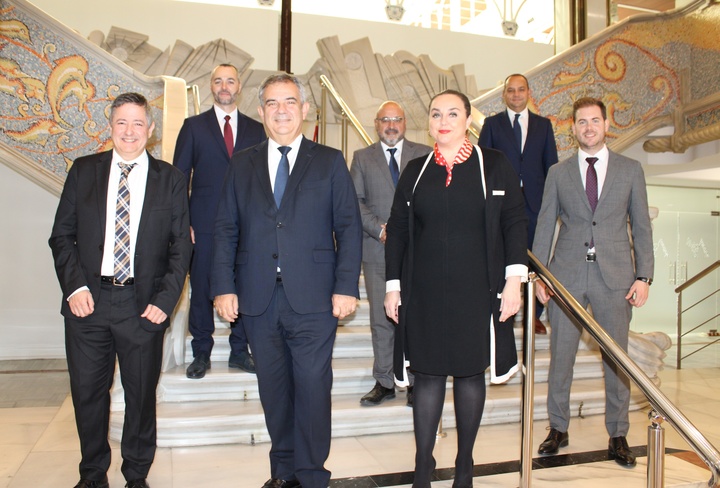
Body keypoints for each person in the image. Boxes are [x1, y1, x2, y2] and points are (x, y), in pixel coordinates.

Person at [211, 74, 362, 488]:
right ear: (260, 111)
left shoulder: (330, 161)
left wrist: (347, 286)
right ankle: (284, 473)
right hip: (257, 299)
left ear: (305, 109)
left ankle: (312, 475)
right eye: (273, 103)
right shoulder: (242, 163)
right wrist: (223, 286)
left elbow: (348, 227)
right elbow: (224, 228)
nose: (281, 110)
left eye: (290, 102)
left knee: (312, 389)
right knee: (274, 390)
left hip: (315, 298)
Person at [384, 90, 528, 487]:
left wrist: (514, 280)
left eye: (452, 113)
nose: (442, 120)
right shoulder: (415, 169)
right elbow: (397, 229)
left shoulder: (494, 164)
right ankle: (422, 468)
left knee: (468, 375)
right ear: (427, 121)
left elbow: (514, 222)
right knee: (426, 377)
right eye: (435, 113)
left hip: (476, 289)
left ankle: (465, 466)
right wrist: (392, 286)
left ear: (468, 120)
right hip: (424, 291)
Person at [49, 92, 192, 488]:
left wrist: (166, 301)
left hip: (142, 306)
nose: (129, 131)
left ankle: (136, 476)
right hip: (87, 304)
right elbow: (62, 236)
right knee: (88, 395)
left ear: (151, 130)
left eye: (138, 124)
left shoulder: (171, 179)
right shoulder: (83, 171)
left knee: (141, 397)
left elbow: (182, 246)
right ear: (109, 128)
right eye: (121, 123)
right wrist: (74, 286)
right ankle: (93, 475)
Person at [533, 97, 654, 467]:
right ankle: (558, 427)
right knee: (561, 359)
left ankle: (618, 433)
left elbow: (642, 226)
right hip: (565, 276)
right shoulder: (558, 172)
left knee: (616, 360)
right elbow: (544, 223)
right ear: (573, 128)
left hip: (615, 278)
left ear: (606, 124)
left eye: (594, 120)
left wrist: (644, 276)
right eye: (581, 122)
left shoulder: (630, 169)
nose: (588, 127)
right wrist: (540, 274)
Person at [173, 63, 266, 379]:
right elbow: (179, 178)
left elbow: (263, 180)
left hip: (246, 227)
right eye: (218, 81)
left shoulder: (256, 129)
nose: (224, 86)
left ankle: (240, 351)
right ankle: (201, 352)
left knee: (244, 287)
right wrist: (182, 222)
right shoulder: (193, 127)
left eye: (230, 81)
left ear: (239, 86)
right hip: (204, 226)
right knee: (201, 288)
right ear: (211, 86)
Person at [350, 101, 431, 407]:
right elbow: (354, 201)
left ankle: (414, 381)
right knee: (381, 318)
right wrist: (380, 229)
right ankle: (384, 380)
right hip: (377, 250)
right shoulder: (361, 158)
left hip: (418, 252)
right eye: (385, 120)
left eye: (396, 119)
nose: (391, 125)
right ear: (376, 123)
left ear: (405, 122)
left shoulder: (424, 154)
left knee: (414, 317)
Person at [479, 73, 558, 334]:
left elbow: (552, 168)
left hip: (536, 205)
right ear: (504, 94)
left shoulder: (543, 125)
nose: (515, 94)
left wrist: (552, 202)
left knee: (536, 259)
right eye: (510, 90)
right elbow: (484, 167)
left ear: (528, 93)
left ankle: (534, 313)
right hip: (502, 204)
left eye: (520, 90)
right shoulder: (492, 125)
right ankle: (506, 306)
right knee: (503, 254)